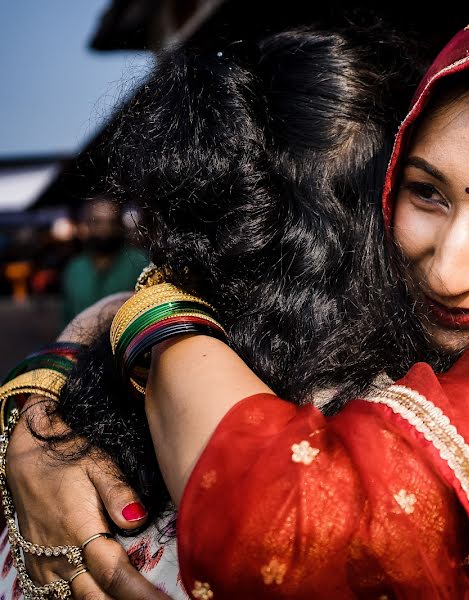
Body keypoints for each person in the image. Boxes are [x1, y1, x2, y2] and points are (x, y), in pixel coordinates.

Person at [4, 3, 469, 598]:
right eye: (425, 193)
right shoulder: (364, 329)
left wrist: (158, 315)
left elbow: (297, 535)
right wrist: (39, 413)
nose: (447, 271)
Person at [1, 19, 431, 600]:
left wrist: (47, 389)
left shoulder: (75, 464)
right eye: (430, 194)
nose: (457, 255)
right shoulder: (417, 460)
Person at [59, 195, 149, 326]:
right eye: (97, 221)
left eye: (111, 222)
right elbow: (66, 318)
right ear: (87, 225)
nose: (105, 228)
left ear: (120, 225)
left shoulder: (140, 263)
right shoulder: (74, 268)